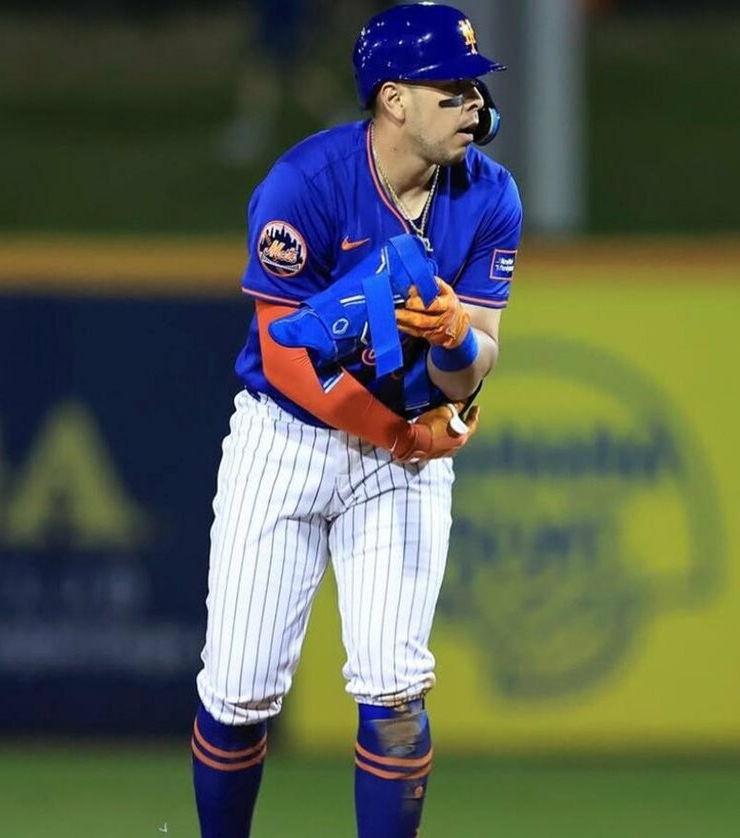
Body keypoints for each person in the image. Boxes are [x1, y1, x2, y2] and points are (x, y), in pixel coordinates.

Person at [191, 4, 522, 836]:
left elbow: (473, 364)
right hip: (287, 440)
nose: (474, 105)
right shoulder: (306, 183)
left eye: (474, 88)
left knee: (396, 691)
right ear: (393, 99)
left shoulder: (489, 195)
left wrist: (455, 339)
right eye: (451, 89)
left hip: (402, 456)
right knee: (238, 692)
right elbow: (286, 360)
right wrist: (399, 434)